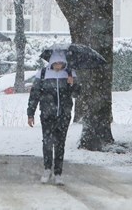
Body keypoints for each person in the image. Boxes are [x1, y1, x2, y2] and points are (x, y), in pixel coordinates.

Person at [27, 50, 78, 185]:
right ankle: (47, 169)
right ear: (51, 62)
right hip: (47, 114)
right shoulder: (42, 74)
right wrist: (30, 113)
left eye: (61, 63)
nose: (59, 65)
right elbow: (34, 94)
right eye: (56, 63)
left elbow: (78, 93)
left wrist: (72, 84)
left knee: (60, 144)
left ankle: (58, 172)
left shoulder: (69, 73)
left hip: (64, 114)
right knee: (47, 142)